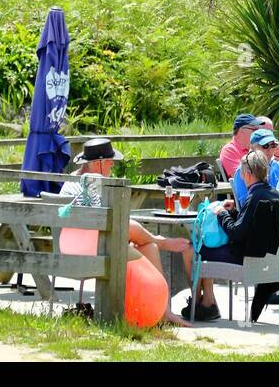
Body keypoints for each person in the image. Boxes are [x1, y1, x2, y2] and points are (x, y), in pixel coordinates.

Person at [61, 137, 191, 325]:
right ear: (98, 163)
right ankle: (160, 312)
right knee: (139, 239)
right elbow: (119, 225)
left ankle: (160, 311)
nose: (112, 167)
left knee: (148, 246)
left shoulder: (70, 181)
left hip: (71, 246)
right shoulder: (93, 185)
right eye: (110, 163)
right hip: (92, 250)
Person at [181, 150, 279, 322]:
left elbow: (236, 233)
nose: (241, 176)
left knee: (193, 250)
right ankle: (206, 303)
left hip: (243, 258)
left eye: (242, 172)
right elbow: (252, 224)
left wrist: (221, 213)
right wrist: (234, 211)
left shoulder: (254, 197)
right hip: (264, 257)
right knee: (207, 247)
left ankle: (199, 303)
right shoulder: (272, 194)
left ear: (248, 174)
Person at [233, 127, 279, 206]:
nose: (270, 150)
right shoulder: (244, 170)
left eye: (273, 145)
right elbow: (244, 203)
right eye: (265, 146)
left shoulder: (277, 166)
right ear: (252, 148)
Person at [219, 113, 267, 180]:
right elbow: (241, 178)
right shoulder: (229, 150)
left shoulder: (255, 147)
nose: (258, 133)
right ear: (242, 130)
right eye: (254, 130)